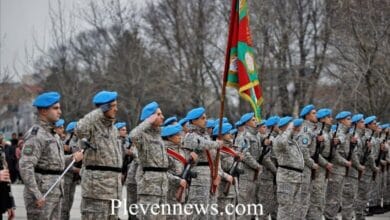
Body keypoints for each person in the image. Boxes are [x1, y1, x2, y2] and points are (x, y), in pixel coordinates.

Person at [19, 91, 83, 220]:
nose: (59, 112)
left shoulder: (53, 134)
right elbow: (26, 166)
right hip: (42, 195)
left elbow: (54, 162)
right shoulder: (36, 135)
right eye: (55, 108)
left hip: (56, 192)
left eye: (59, 108)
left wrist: (72, 157)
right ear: (43, 111)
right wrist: (36, 194)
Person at [75, 90, 123, 219]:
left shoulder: (113, 129)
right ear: (104, 108)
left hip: (114, 190)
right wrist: (98, 111)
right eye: (113, 106)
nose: (116, 109)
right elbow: (79, 130)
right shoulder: (92, 126)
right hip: (97, 191)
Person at [182, 107, 223, 220]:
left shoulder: (205, 135)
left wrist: (217, 173)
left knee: (210, 212)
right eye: (202, 118)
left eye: (206, 118)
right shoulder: (190, 136)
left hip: (210, 175)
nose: (205, 120)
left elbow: (215, 157)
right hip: (198, 177)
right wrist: (216, 144)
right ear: (194, 121)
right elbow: (202, 144)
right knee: (199, 212)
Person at [129, 101, 169, 220]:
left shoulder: (159, 135)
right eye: (158, 114)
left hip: (162, 186)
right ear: (151, 117)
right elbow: (132, 136)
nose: (162, 117)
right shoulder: (143, 135)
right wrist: (147, 122)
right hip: (149, 187)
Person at [163, 123, 197, 220]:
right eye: (177, 135)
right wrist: (178, 181)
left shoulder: (181, 150)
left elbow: (186, 166)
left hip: (182, 189)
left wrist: (193, 161)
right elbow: (164, 173)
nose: (180, 137)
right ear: (169, 137)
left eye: (180, 134)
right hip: (170, 190)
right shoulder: (165, 151)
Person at [273, 116, 304, 220]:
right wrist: (289, 128)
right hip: (286, 179)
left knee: (295, 209)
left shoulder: (292, 141)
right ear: (284, 128)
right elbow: (282, 142)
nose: (294, 128)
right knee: (285, 208)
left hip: (296, 178)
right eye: (291, 126)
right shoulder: (278, 140)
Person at [324, 111, 353, 220]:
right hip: (335, 169)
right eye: (348, 119)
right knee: (333, 197)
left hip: (341, 170)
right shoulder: (337, 132)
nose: (350, 121)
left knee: (337, 197)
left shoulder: (346, 133)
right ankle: (329, 216)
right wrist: (345, 162)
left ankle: (333, 216)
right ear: (341, 121)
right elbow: (334, 153)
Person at [307, 108, 333, 220]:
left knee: (321, 197)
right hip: (318, 167)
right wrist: (325, 163)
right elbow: (315, 152)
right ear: (322, 119)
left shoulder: (327, 133)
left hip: (324, 168)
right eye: (329, 117)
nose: (331, 119)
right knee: (316, 197)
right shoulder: (318, 132)